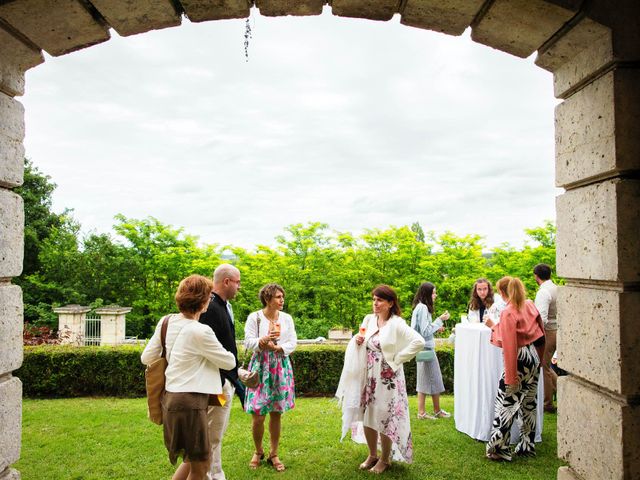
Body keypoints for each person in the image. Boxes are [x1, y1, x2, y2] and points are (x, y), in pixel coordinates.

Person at [141, 275, 236, 480]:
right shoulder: (200, 331)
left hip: (170, 399)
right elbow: (229, 362)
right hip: (191, 402)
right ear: (203, 302)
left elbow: (146, 357)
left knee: (191, 459)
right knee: (201, 465)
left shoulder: (166, 322)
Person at [336, 285, 424, 474]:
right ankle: (372, 454)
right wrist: (358, 341)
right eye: (374, 299)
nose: (375, 303)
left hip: (387, 378)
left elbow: (419, 342)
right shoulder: (369, 319)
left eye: (380, 300)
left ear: (390, 303)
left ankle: (385, 459)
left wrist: (397, 359)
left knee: (385, 416)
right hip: (367, 375)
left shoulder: (397, 323)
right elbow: (362, 338)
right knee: (367, 414)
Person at [484, 277, 545, 462]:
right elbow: (541, 333)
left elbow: (509, 344)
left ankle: (498, 448)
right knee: (528, 403)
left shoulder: (508, 312)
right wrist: (540, 359)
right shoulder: (530, 304)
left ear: (502, 293)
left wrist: (510, 376)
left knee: (506, 405)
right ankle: (527, 444)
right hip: (533, 356)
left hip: (518, 358)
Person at [243, 283, 297, 472]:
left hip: (280, 365)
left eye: (282, 297)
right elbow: (248, 342)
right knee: (258, 414)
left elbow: (293, 342)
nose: (282, 300)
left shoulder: (287, 318)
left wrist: (279, 348)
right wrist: (264, 340)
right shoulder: (255, 317)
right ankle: (258, 451)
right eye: (278, 297)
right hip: (260, 366)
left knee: (276, 412)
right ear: (267, 299)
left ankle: (274, 453)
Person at [198, 264, 242, 480]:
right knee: (211, 435)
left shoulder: (224, 306)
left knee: (216, 435)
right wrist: (227, 375)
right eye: (237, 282)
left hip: (225, 380)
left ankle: (217, 473)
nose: (239, 287)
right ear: (226, 282)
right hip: (216, 383)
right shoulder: (210, 309)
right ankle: (208, 475)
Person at [410, 282, 451, 420]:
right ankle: (427, 412)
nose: (436, 295)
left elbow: (424, 328)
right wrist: (440, 320)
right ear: (427, 294)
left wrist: (436, 327)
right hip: (425, 348)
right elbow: (425, 331)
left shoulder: (420, 307)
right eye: (433, 293)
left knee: (430, 379)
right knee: (429, 380)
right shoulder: (422, 308)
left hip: (423, 347)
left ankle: (433, 411)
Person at [533, 263, 558, 413]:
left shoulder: (543, 292)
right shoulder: (556, 288)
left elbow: (541, 317)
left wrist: (536, 335)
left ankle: (548, 403)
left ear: (536, 276)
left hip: (547, 332)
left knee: (544, 366)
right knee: (546, 365)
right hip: (556, 330)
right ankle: (560, 390)